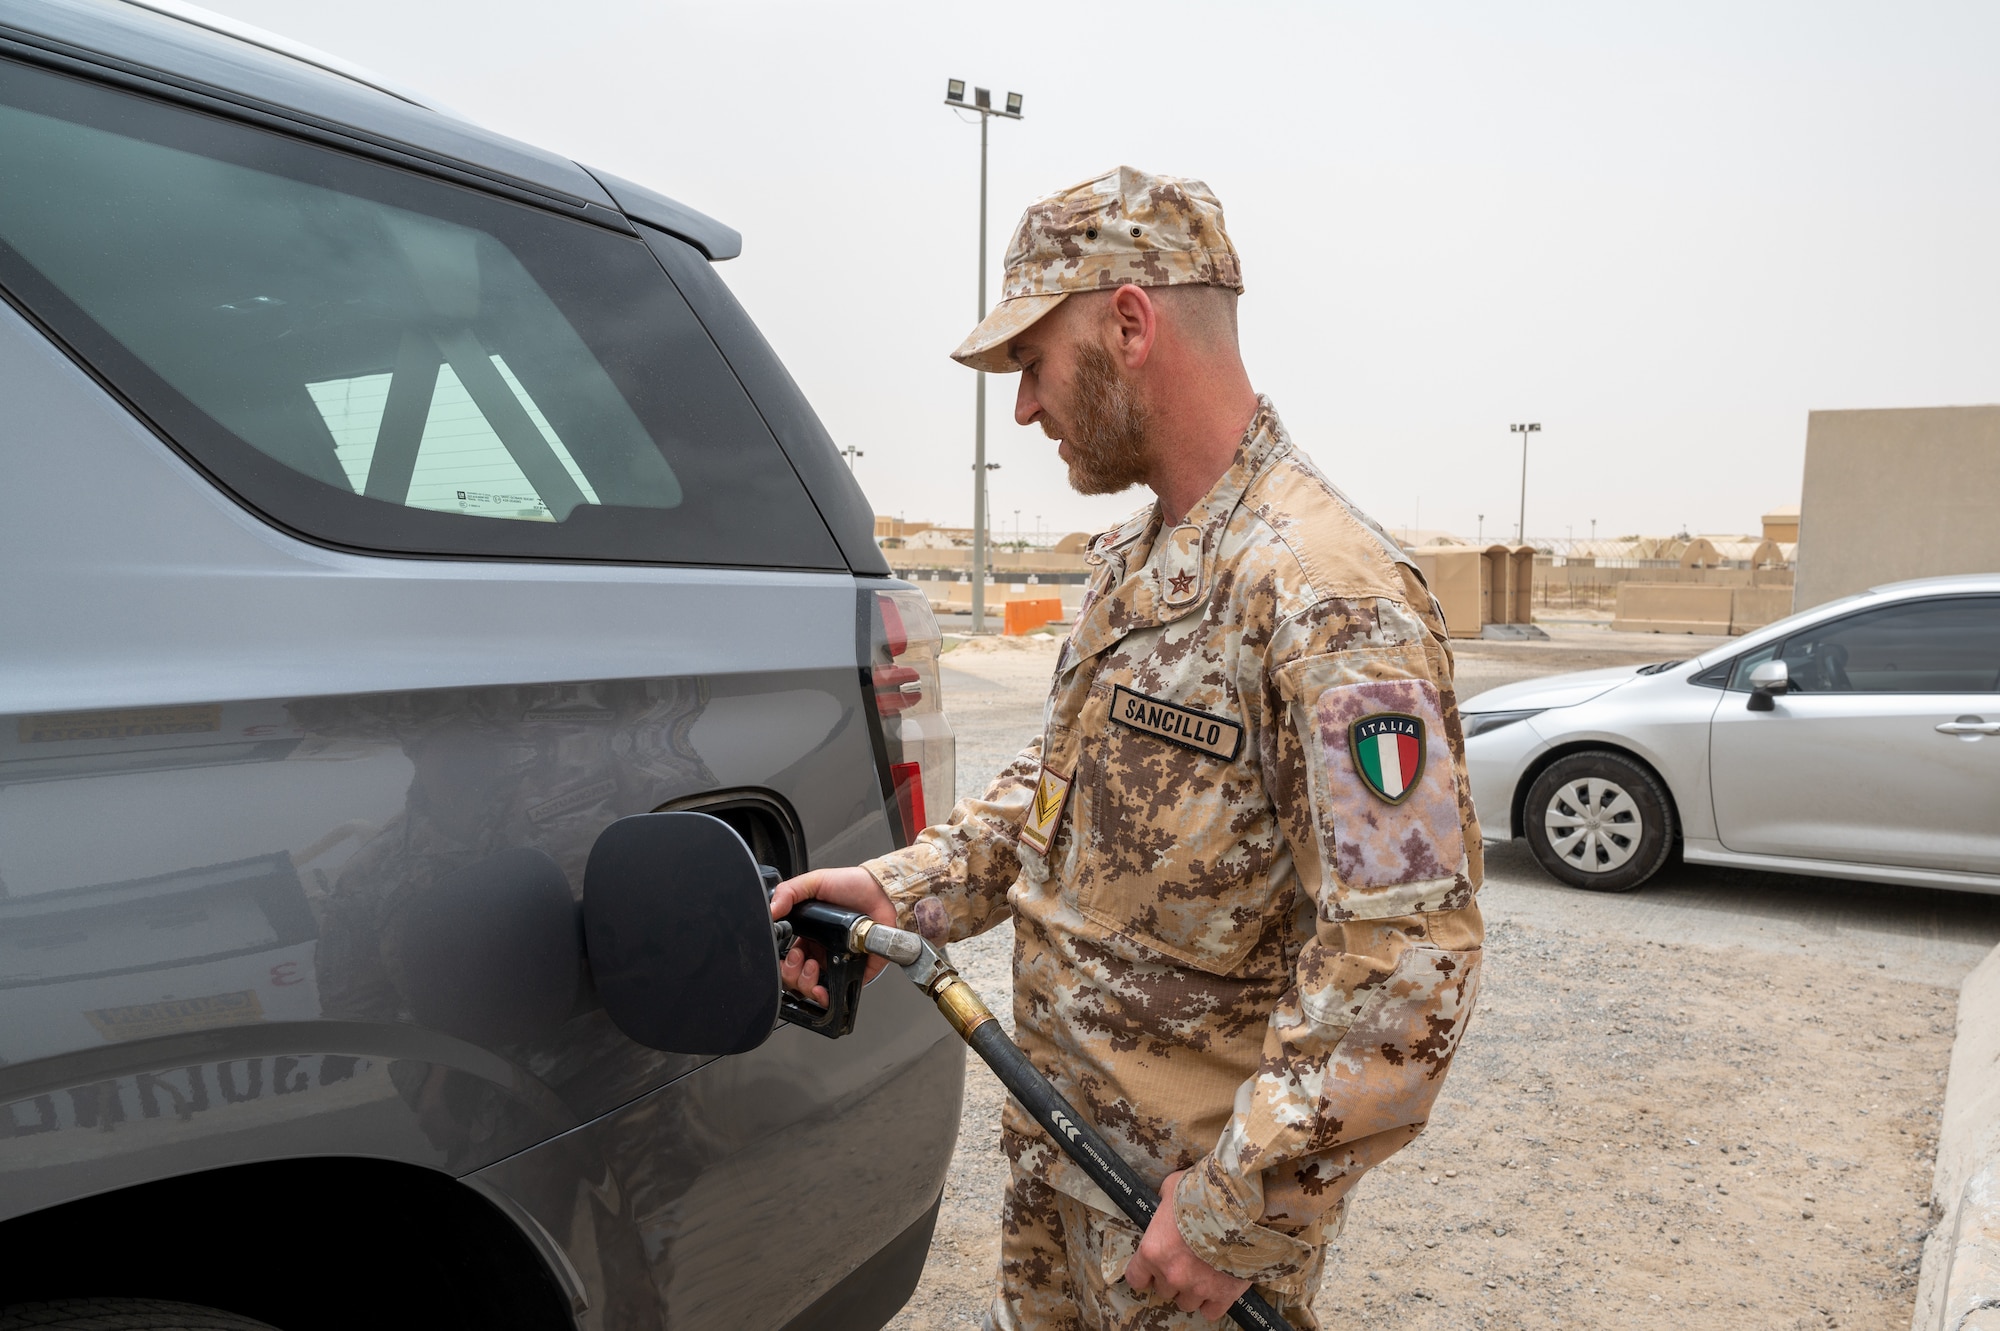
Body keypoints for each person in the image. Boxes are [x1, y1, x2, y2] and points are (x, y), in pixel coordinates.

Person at [772, 166, 1485, 1330]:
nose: (1023, 409)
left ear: (1129, 324)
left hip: (1183, 1230)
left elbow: (1403, 961)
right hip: (1064, 1168)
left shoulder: (1322, 594)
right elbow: (1056, 795)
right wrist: (895, 888)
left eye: (1032, 365)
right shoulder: (1130, 568)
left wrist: (1233, 1214)